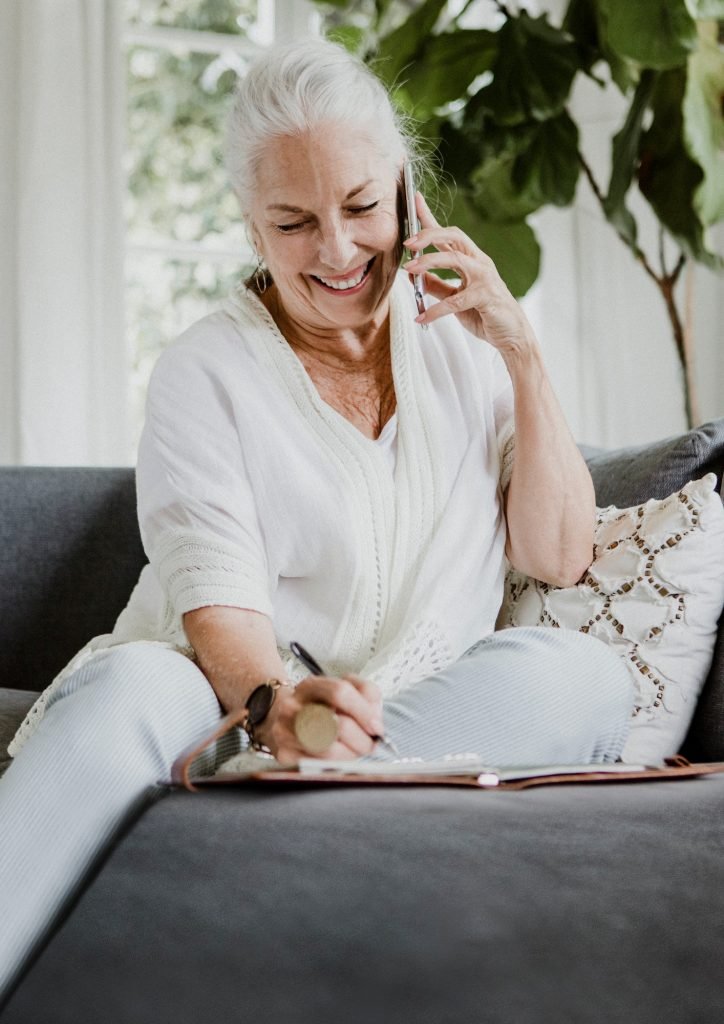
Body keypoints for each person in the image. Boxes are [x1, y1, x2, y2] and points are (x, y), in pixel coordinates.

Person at [0, 37, 633, 999]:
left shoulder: (467, 355)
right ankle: (272, 773)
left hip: (405, 717)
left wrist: (521, 353)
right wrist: (277, 709)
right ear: (253, 227)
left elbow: (558, 553)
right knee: (131, 685)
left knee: (580, 674)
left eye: (361, 207)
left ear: (407, 196)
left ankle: (302, 788)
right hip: (222, 704)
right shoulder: (201, 371)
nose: (335, 251)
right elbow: (217, 605)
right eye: (293, 221)